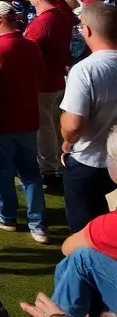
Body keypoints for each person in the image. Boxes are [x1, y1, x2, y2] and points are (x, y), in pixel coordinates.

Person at [0, 0, 48, 243]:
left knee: (3, 171)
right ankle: (38, 224)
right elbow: (40, 81)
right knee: (30, 172)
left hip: (2, 122)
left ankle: (7, 215)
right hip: (29, 119)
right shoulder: (31, 47)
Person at [47, 125, 117, 315]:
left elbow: (67, 247)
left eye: (109, 157)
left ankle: (63, 313)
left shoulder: (109, 225)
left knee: (80, 259)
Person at [60, 2, 117, 234]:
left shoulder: (85, 70)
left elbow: (73, 125)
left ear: (88, 30)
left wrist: (66, 141)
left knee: (84, 232)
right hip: (110, 159)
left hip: (89, 160)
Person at [25, 0, 76, 176]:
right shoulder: (59, 17)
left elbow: (27, 50)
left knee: (43, 126)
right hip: (55, 79)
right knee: (53, 124)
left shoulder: (44, 22)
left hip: (43, 82)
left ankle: (48, 167)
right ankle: (56, 162)